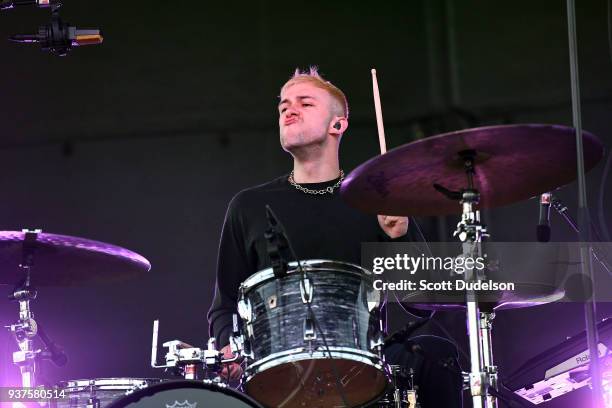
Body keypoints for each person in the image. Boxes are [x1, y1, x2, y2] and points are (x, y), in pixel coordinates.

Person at [207, 67, 462, 407]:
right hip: (277, 366)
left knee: (436, 354)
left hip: (364, 361)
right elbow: (224, 307)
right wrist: (229, 348)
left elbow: (422, 303)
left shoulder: (375, 199)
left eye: (305, 103)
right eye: (283, 105)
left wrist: (398, 236)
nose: (288, 110)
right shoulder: (249, 206)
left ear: (337, 124)